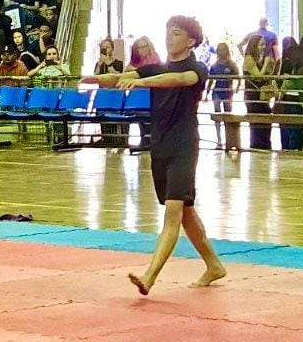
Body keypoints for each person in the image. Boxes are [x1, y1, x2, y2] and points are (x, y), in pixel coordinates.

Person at [86, 16, 225, 294]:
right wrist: (96, 78)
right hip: (159, 145)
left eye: (175, 33)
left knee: (173, 212)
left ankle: (149, 277)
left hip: (183, 146)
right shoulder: (153, 69)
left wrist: (141, 83)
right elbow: (122, 77)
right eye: (167, 32)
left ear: (191, 40)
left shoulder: (197, 68)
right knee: (184, 210)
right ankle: (213, 266)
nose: (168, 37)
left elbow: (175, 79)